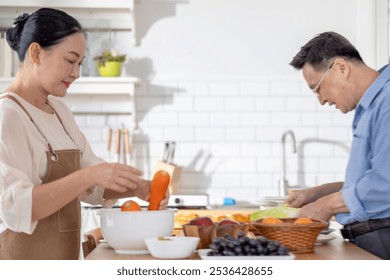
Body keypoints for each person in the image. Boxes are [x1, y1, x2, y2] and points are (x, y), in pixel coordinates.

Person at [0, 8, 169, 260]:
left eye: (80, 63)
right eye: (70, 60)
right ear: (36, 53)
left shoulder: (59, 111)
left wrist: (139, 188)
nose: (76, 73)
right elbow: (17, 207)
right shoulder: (8, 115)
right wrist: (87, 175)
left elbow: (93, 184)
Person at [287, 31, 390, 259]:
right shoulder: (371, 106)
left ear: (341, 68)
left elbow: (386, 183)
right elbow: (375, 178)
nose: (321, 100)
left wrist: (326, 206)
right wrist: (317, 194)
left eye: (317, 88)